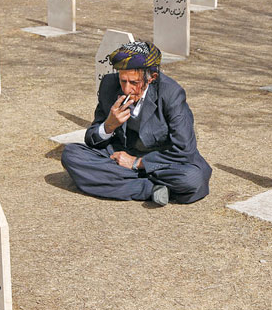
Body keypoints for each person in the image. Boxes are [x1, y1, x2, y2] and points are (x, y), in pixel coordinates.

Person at [62, 42, 212, 206]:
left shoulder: (171, 94)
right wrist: (109, 125)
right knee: (71, 154)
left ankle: (119, 180)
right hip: (120, 152)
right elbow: (91, 139)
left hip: (161, 158)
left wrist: (136, 162)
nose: (127, 89)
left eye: (134, 82)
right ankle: (151, 189)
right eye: (123, 80)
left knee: (191, 179)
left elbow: (184, 150)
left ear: (152, 78)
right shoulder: (109, 85)